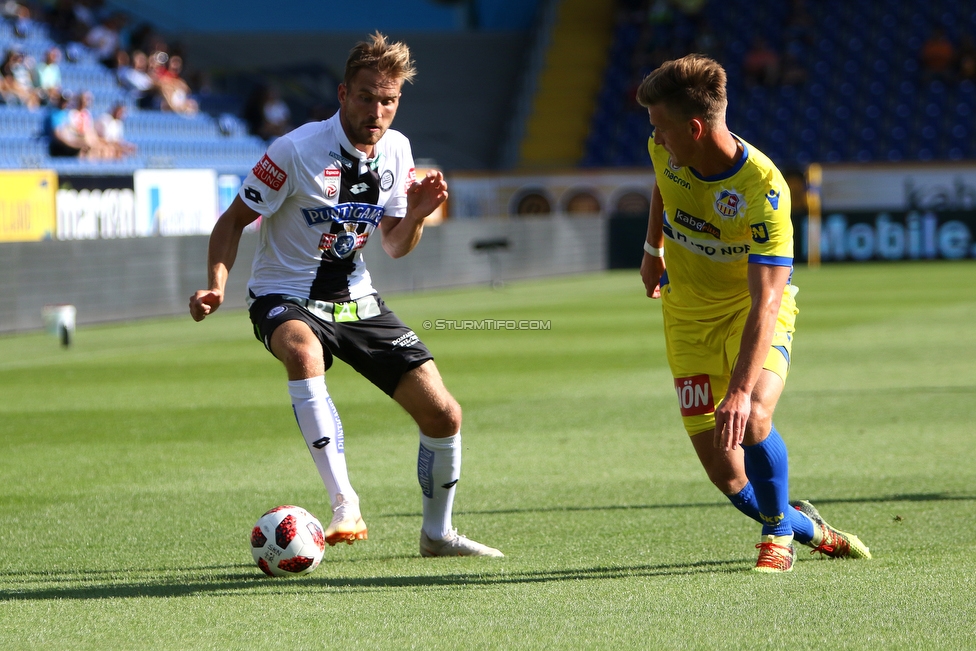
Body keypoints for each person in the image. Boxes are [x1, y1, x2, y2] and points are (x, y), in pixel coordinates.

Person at [189, 32, 503, 559]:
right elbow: (232, 221)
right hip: (283, 294)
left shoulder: (398, 150)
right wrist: (217, 284)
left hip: (357, 297)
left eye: (389, 100)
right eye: (365, 96)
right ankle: (344, 504)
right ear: (342, 94)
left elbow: (396, 245)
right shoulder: (294, 150)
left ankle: (437, 535)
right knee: (302, 351)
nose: (376, 110)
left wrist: (419, 213)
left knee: (444, 414)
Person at [636, 54, 871, 572]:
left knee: (754, 418)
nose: (655, 137)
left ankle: (777, 537)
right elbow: (662, 181)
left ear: (695, 128)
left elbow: (766, 299)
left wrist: (740, 394)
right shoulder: (664, 147)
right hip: (688, 321)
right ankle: (810, 528)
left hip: (752, 310)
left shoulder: (763, 190)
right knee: (726, 475)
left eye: (661, 126)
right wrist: (653, 252)